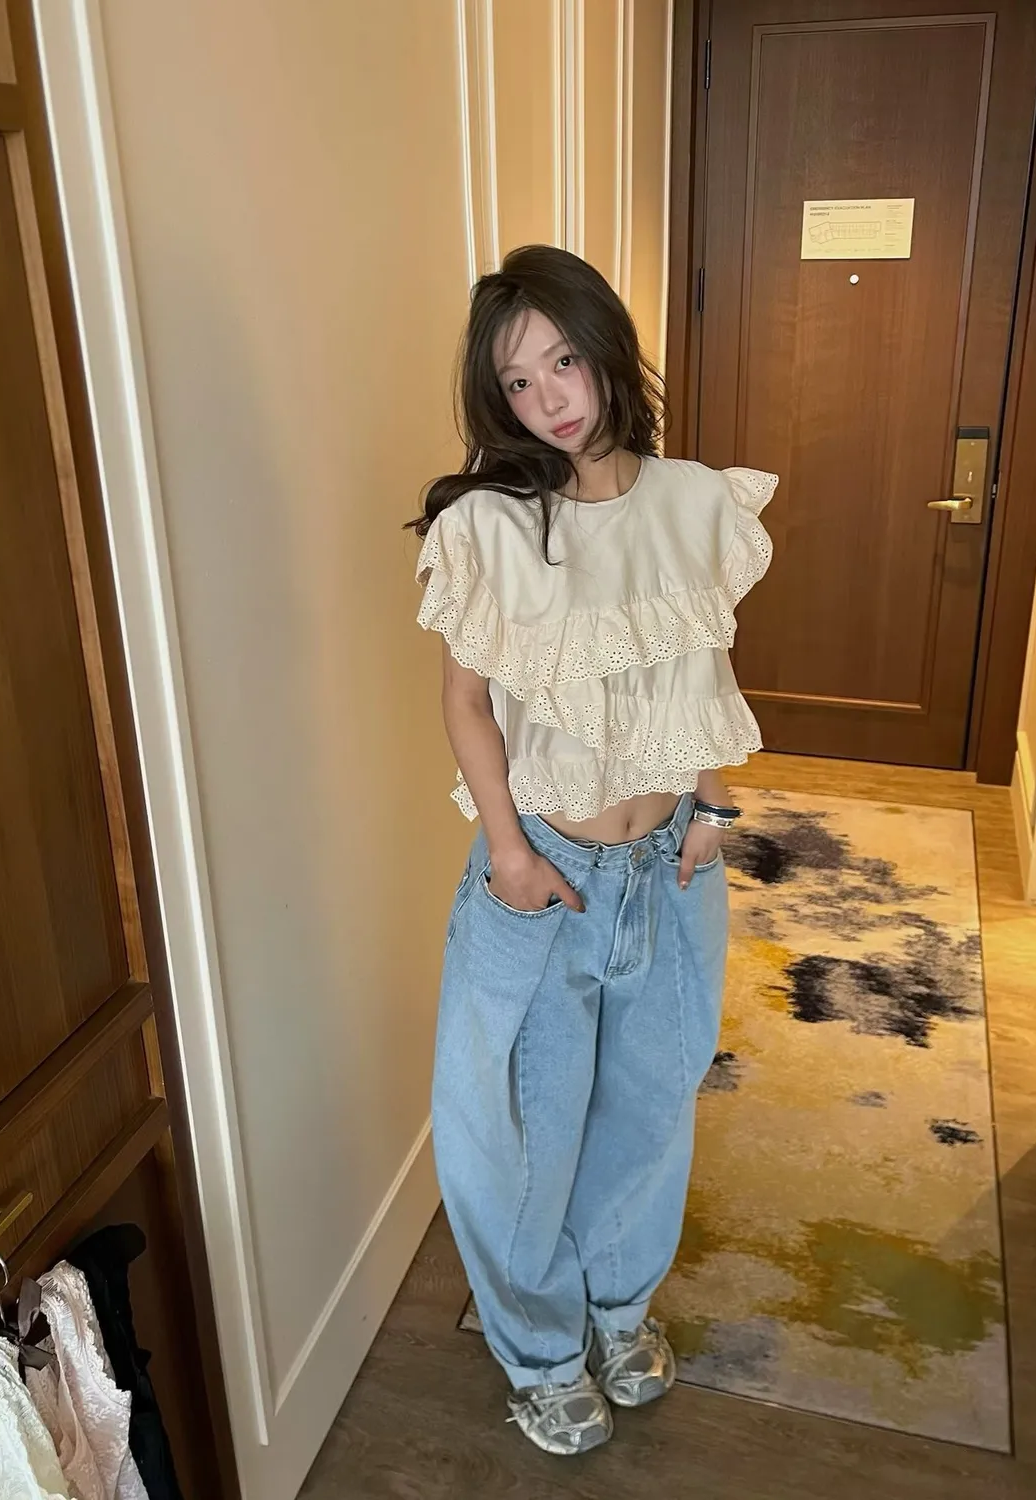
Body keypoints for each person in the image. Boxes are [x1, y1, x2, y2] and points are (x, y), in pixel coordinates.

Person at [409, 244, 776, 1455]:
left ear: (608, 350)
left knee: (651, 1109)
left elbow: (695, 674)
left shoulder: (695, 502)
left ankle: (618, 1310)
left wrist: (713, 809)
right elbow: (466, 703)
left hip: (668, 868)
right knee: (515, 1134)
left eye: (563, 361)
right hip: (544, 880)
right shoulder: (491, 526)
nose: (548, 398)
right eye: (517, 382)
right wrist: (510, 854)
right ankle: (540, 1350)